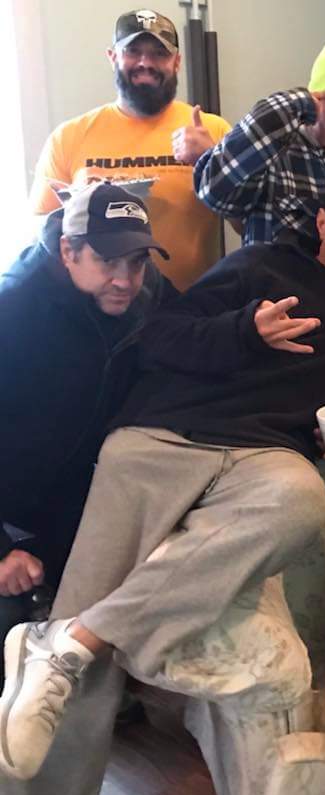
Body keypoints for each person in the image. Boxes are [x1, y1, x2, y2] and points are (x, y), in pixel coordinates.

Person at [0, 177, 325, 795]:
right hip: (163, 438)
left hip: (263, 457)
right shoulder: (261, 262)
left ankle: (74, 636)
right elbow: (161, 338)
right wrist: (246, 330)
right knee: (81, 681)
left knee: (301, 498)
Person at [0, 183, 172, 681]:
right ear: (68, 251)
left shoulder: (142, 294)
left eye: (137, 263)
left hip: (75, 511)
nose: (124, 280)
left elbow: (194, 326)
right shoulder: (14, 315)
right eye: (108, 262)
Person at [27, 9, 230, 292]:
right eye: (133, 51)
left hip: (190, 312)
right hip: (97, 313)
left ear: (177, 62)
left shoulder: (214, 131)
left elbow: (250, 226)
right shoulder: (68, 137)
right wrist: (79, 202)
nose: (145, 62)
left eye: (159, 53)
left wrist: (214, 163)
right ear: (113, 57)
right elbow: (39, 235)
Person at [194, 34, 325, 246]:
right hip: (274, 278)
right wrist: (300, 102)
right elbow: (213, 191)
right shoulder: (275, 162)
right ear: (318, 100)